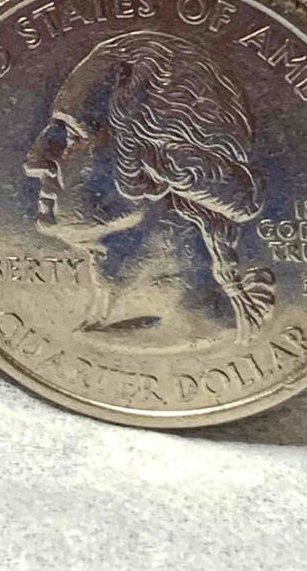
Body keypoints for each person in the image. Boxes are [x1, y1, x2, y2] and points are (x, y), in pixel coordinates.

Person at [23, 29, 274, 351]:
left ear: (159, 166)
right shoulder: (87, 332)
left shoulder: (193, 337)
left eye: (72, 135)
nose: (34, 162)